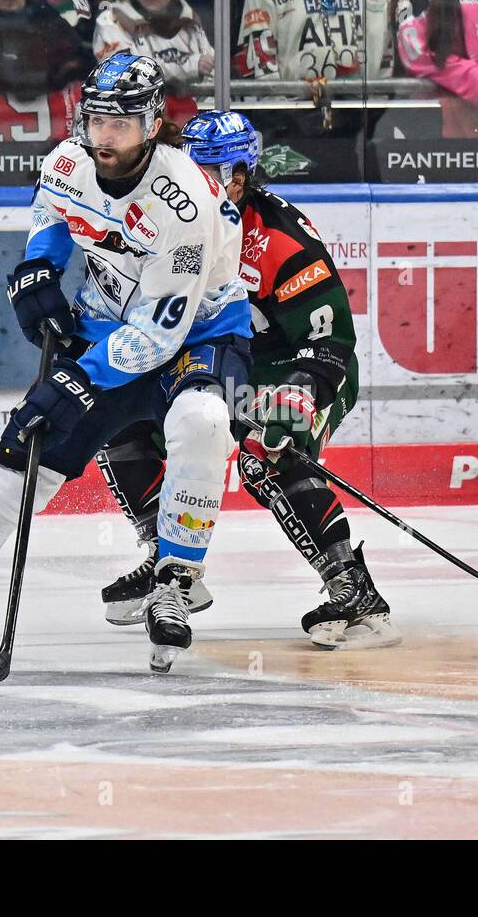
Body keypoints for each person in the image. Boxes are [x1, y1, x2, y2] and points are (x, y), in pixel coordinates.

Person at [0, 53, 252, 674]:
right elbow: (54, 214)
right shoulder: (69, 160)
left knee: (204, 421)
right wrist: (38, 271)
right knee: (29, 444)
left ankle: (176, 580)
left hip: (198, 336)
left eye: (121, 124)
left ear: (154, 124)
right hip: (108, 326)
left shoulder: (184, 201)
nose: (104, 137)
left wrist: (78, 377)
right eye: (97, 119)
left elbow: (160, 333)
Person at [96, 110, 399, 651]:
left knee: (267, 453)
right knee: (115, 418)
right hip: (212, 361)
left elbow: (330, 344)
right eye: (197, 167)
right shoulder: (162, 222)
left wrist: (296, 394)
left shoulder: (279, 239)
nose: (208, 181)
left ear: (243, 173)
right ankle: (170, 561)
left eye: (221, 170)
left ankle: (354, 590)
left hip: (294, 367)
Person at [234, 0, 396, 81]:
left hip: (361, 120)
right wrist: (284, 116)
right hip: (292, 118)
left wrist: (374, 108)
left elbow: (385, 62)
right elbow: (258, 71)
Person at [93, 0, 216, 84]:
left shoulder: (188, 21)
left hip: (192, 104)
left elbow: (212, 69)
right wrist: (191, 67)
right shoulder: (111, 20)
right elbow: (123, 73)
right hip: (135, 106)